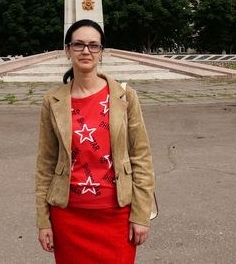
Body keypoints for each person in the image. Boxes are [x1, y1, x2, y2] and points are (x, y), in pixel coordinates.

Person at [35, 19, 155, 262]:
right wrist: (43, 220)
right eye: (78, 45)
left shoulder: (124, 97)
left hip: (116, 213)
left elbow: (141, 157)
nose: (86, 51)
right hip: (68, 215)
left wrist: (140, 215)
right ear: (68, 50)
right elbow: (45, 164)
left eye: (93, 45)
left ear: (101, 52)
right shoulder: (53, 101)